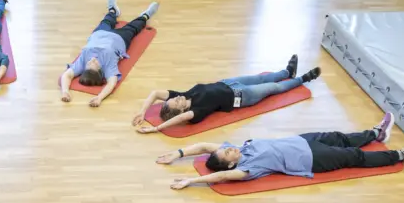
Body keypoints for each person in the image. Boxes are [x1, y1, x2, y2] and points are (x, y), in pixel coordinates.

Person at [156, 113, 404, 189]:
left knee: (339, 137)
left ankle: (375, 134)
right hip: (311, 159)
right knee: (354, 158)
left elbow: (203, 146)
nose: (229, 149)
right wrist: (191, 180)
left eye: (226, 150)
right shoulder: (245, 170)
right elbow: (218, 178)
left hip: (302, 141)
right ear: (230, 165)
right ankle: (400, 155)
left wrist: (178, 154)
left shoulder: (239, 150)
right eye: (227, 154)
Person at [133, 54, 320, 133]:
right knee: (274, 88)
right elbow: (177, 121)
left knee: (263, 77)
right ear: (181, 111)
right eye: (176, 102)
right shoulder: (195, 112)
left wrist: (143, 111)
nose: (178, 97)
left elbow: (155, 93)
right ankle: (303, 79)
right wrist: (158, 128)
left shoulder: (184, 94)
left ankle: (287, 72)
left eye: (174, 99)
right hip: (242, 96)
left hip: (228, 82)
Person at [59, 0, 158, 108]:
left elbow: (66, 75)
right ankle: (145, 16)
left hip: (99, 33)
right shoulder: (108, 66)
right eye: (95, 64)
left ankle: (113, 10)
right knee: (134, 27)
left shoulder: (82, 62)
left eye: (89, 63)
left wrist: (65, 91)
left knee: (107, 20)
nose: (92, 60)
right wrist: (100, 97)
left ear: (85, 68)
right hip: (120, 38)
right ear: (101, 70)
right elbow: (112, 83)